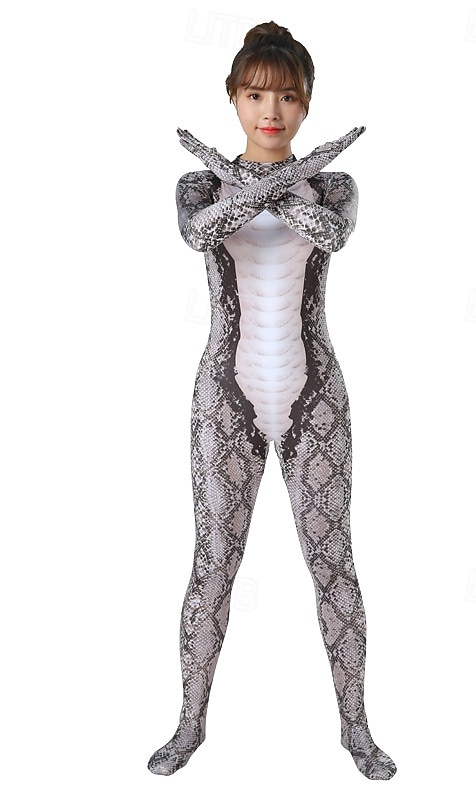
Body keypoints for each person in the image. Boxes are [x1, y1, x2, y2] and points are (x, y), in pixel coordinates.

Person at [148, 20, 396, 780]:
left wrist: (294, 172)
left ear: (306, 102)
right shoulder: (198, 184)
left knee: (334, 564)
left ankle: (357, 730)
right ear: (233, 97)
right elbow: (200, 233)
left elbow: (330, 233)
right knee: (212, 565)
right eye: (256, 94)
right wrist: (270, 174)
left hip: (315, 394)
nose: (272, 112)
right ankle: (189, 726)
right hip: (226, 393)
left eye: (287, 97)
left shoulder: (334, 185)